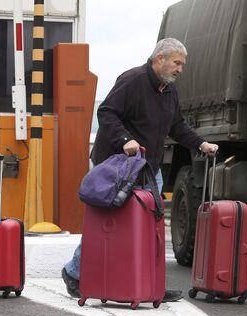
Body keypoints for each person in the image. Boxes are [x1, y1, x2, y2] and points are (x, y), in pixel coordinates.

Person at [61, 38, 219, 302]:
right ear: (159, 59)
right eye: (177, 63)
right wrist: (126, 140)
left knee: (151, 226)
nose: (180, 69)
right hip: (116, 166)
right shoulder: (132, 81)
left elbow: (177, 125)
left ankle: (151, 282)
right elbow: (107, 113)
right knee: (108, 223)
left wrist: (201, 143)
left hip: (148, 167)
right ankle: (74, 273)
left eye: (182, 64)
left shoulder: (168, 90)